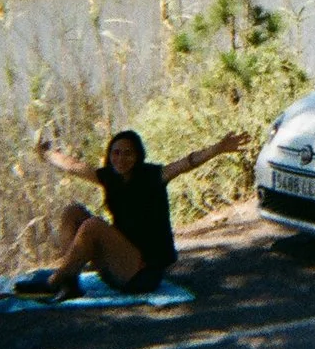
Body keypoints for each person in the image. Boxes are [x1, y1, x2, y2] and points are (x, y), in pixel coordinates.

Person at [17, 127, 250, 298]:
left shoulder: (153, 177)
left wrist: (219, 148)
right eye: (116, 153)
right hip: (118, 265)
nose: (121, 159)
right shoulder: (110, 178)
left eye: (128, 153)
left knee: (93, 226)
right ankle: (71, 284)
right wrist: (47, 154)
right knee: (73, 213)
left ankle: (54, 282)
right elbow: (75, 166)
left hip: (143, 273)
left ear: (138, 156)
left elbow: (187, 163)